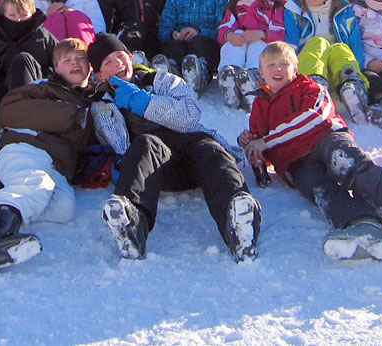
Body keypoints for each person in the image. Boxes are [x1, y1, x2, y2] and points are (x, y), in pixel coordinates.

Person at [241, 42, 382, 262]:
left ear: (295, 69)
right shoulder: (260, 105)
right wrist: (250, 143)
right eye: (271, 65)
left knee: (348, 164)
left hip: (326, 139)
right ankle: (362, 223)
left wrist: (266, 141)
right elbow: (261, 146)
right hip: (296, 163)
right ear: (261, 72)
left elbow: (315, 117)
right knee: (322, 193)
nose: (277, 69)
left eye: (284, 64)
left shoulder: (309, 87)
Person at [89, 34, 261, 262]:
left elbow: (191, 115)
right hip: (155, 169)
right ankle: (132, 224)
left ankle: (238, 217)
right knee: (144, 143)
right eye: (108, 62)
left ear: (131, 58)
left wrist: (144, 102)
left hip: (192, 154)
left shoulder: (163, 80)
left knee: (210, 148)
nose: (118, 64)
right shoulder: (102, 103)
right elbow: (117, 144)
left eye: (120, 56)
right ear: (100, 75)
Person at [0, 39, 99, 278]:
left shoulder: (91, 100)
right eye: (67, 60)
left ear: (90, 66)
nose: (75, 64)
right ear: (56, 68)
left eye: (80, 59)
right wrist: (71, 116)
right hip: (23, 146)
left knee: (64, 207)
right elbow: (10, 111)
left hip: (53, 161)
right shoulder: (45, 87)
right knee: (37, 184)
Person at [283, 0, 371, 125]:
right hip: (307, 68)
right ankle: (314, 89)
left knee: (341, 48)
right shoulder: (293, 10)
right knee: (318, 43)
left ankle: (352, 88)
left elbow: (355, 43)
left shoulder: (344, 11)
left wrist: (360, 70)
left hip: (335, 69)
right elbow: (291, 46)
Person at [215, 0, 287, 109]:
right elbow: (224, 28)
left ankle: (254, 80)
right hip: (243, 43)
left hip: (264, 43)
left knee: (257, 44)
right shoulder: (236, 5)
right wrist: (230, 36)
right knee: (236, 38)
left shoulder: (274, 2)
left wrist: (261, 34)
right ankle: (230, 76)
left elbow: (281, 31)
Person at [158, 0, 230, 94]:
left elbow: (224, 28)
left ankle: (200, 72)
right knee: (173, 46)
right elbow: (164, 28)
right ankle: (171, 72)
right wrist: (173, 34)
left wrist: (200, 31)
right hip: (181, 43)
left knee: (199, 42)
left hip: (206, 43)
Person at [0, 0, 61, 98]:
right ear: (4, 14)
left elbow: (61, 58)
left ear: (32, 14)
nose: (18, 20)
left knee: (22, 61)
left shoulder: (41, 35)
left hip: (35, 91)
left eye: (23, 15)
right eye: (12, 15)